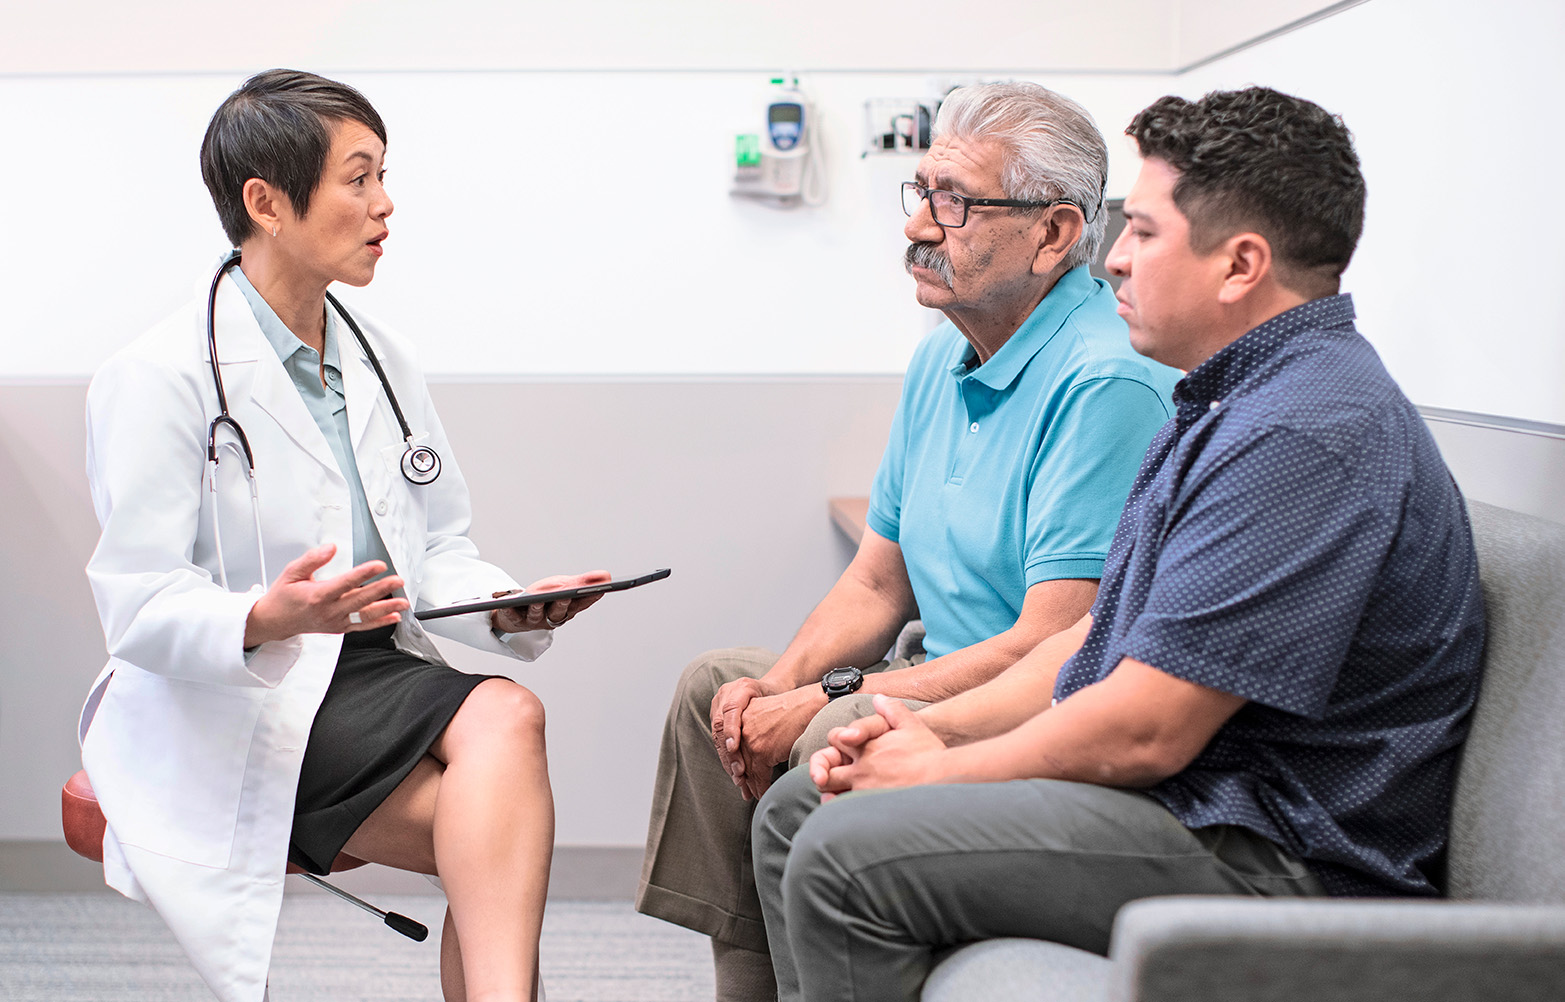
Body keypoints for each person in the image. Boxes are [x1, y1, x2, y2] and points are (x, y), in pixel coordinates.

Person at [749, 86, 1487, 1002]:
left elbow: (1144, 728)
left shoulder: (1300, 432)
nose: (1117, 262)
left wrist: (939, 767)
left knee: (840, 852)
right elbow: (1087, 642)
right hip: (1196, 805)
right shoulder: (1226, 401)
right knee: (805, 802)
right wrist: (919, 729)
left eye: (1140, 232)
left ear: (1239, 265)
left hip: (1274, 854)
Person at [637, 82, 1180, 1000]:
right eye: (921, 192)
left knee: (822, 727)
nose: (919, 227)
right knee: (717, 692)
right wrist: (773, 687)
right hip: (933, 666)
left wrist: (822, 693)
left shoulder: (1106, 383)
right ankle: (753, 984)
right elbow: (877, 584)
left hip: (1018, 701)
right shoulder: (942, 351)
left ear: (1054, 234)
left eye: (955, 202)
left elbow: (1050, 644)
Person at [78, 69, 599, 1002]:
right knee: (500, 791)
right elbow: (138, 603)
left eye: (382, 175)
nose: (384, 204)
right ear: (265, 202)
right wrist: (267, 616)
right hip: (239, 688)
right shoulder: (157, 376)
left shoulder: (379, 356)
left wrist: (512, 607)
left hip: (372, 670)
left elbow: (436, 548)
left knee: (497, 766)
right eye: (358, 179)